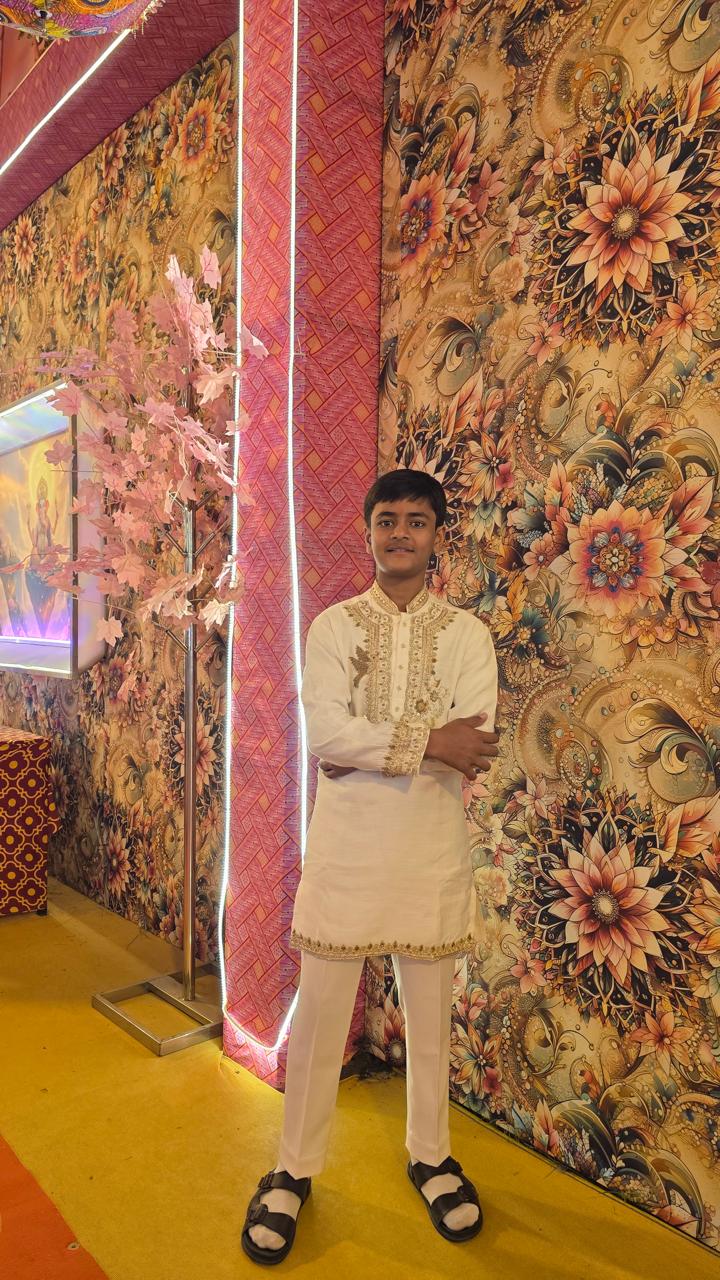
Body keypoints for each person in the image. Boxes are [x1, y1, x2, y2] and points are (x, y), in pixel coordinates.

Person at [241, 468, 499, 1266]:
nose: (400, 533)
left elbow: (475, 740)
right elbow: (325, 734)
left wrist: (373, 749)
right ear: (368, 532)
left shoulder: (467, 636)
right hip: (347, 854)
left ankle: (431, 1156)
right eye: (387, 519)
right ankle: (292, 1169)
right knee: (320, 1020)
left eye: (417, 520)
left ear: (437, 535)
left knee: (430, 1022)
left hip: (429, 852)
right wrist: (428, 742)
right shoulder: (333, 628)